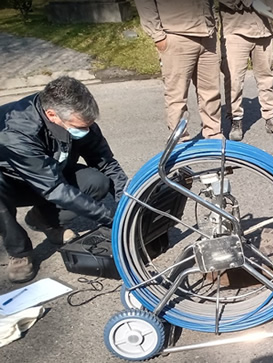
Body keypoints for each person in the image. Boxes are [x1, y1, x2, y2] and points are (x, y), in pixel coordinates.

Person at [0, 77, 129, 283]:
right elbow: (55, 189)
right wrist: (112, 219)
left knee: (98, 181)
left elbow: (106, 163)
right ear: (52, 115)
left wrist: (127, 204)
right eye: (79, 126)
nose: (85, 131)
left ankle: (44, 219)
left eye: (89, 126)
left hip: (51, 174)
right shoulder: (15, 132)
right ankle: (20, 252)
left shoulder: (78, 120)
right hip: (11, 181)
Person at [136, 0, 223, 140]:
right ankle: (179, 140)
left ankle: (213, 134)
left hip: (208, 35)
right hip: (177, 35)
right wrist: (158, 36)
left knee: (211, 91)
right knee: (177, 95)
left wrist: (214, 24)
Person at [220, 0, 273, 141]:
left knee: (267, 78)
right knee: (234, 80)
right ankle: (236, 120)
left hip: (264, 32)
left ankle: (271, 118)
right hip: (236, 31)